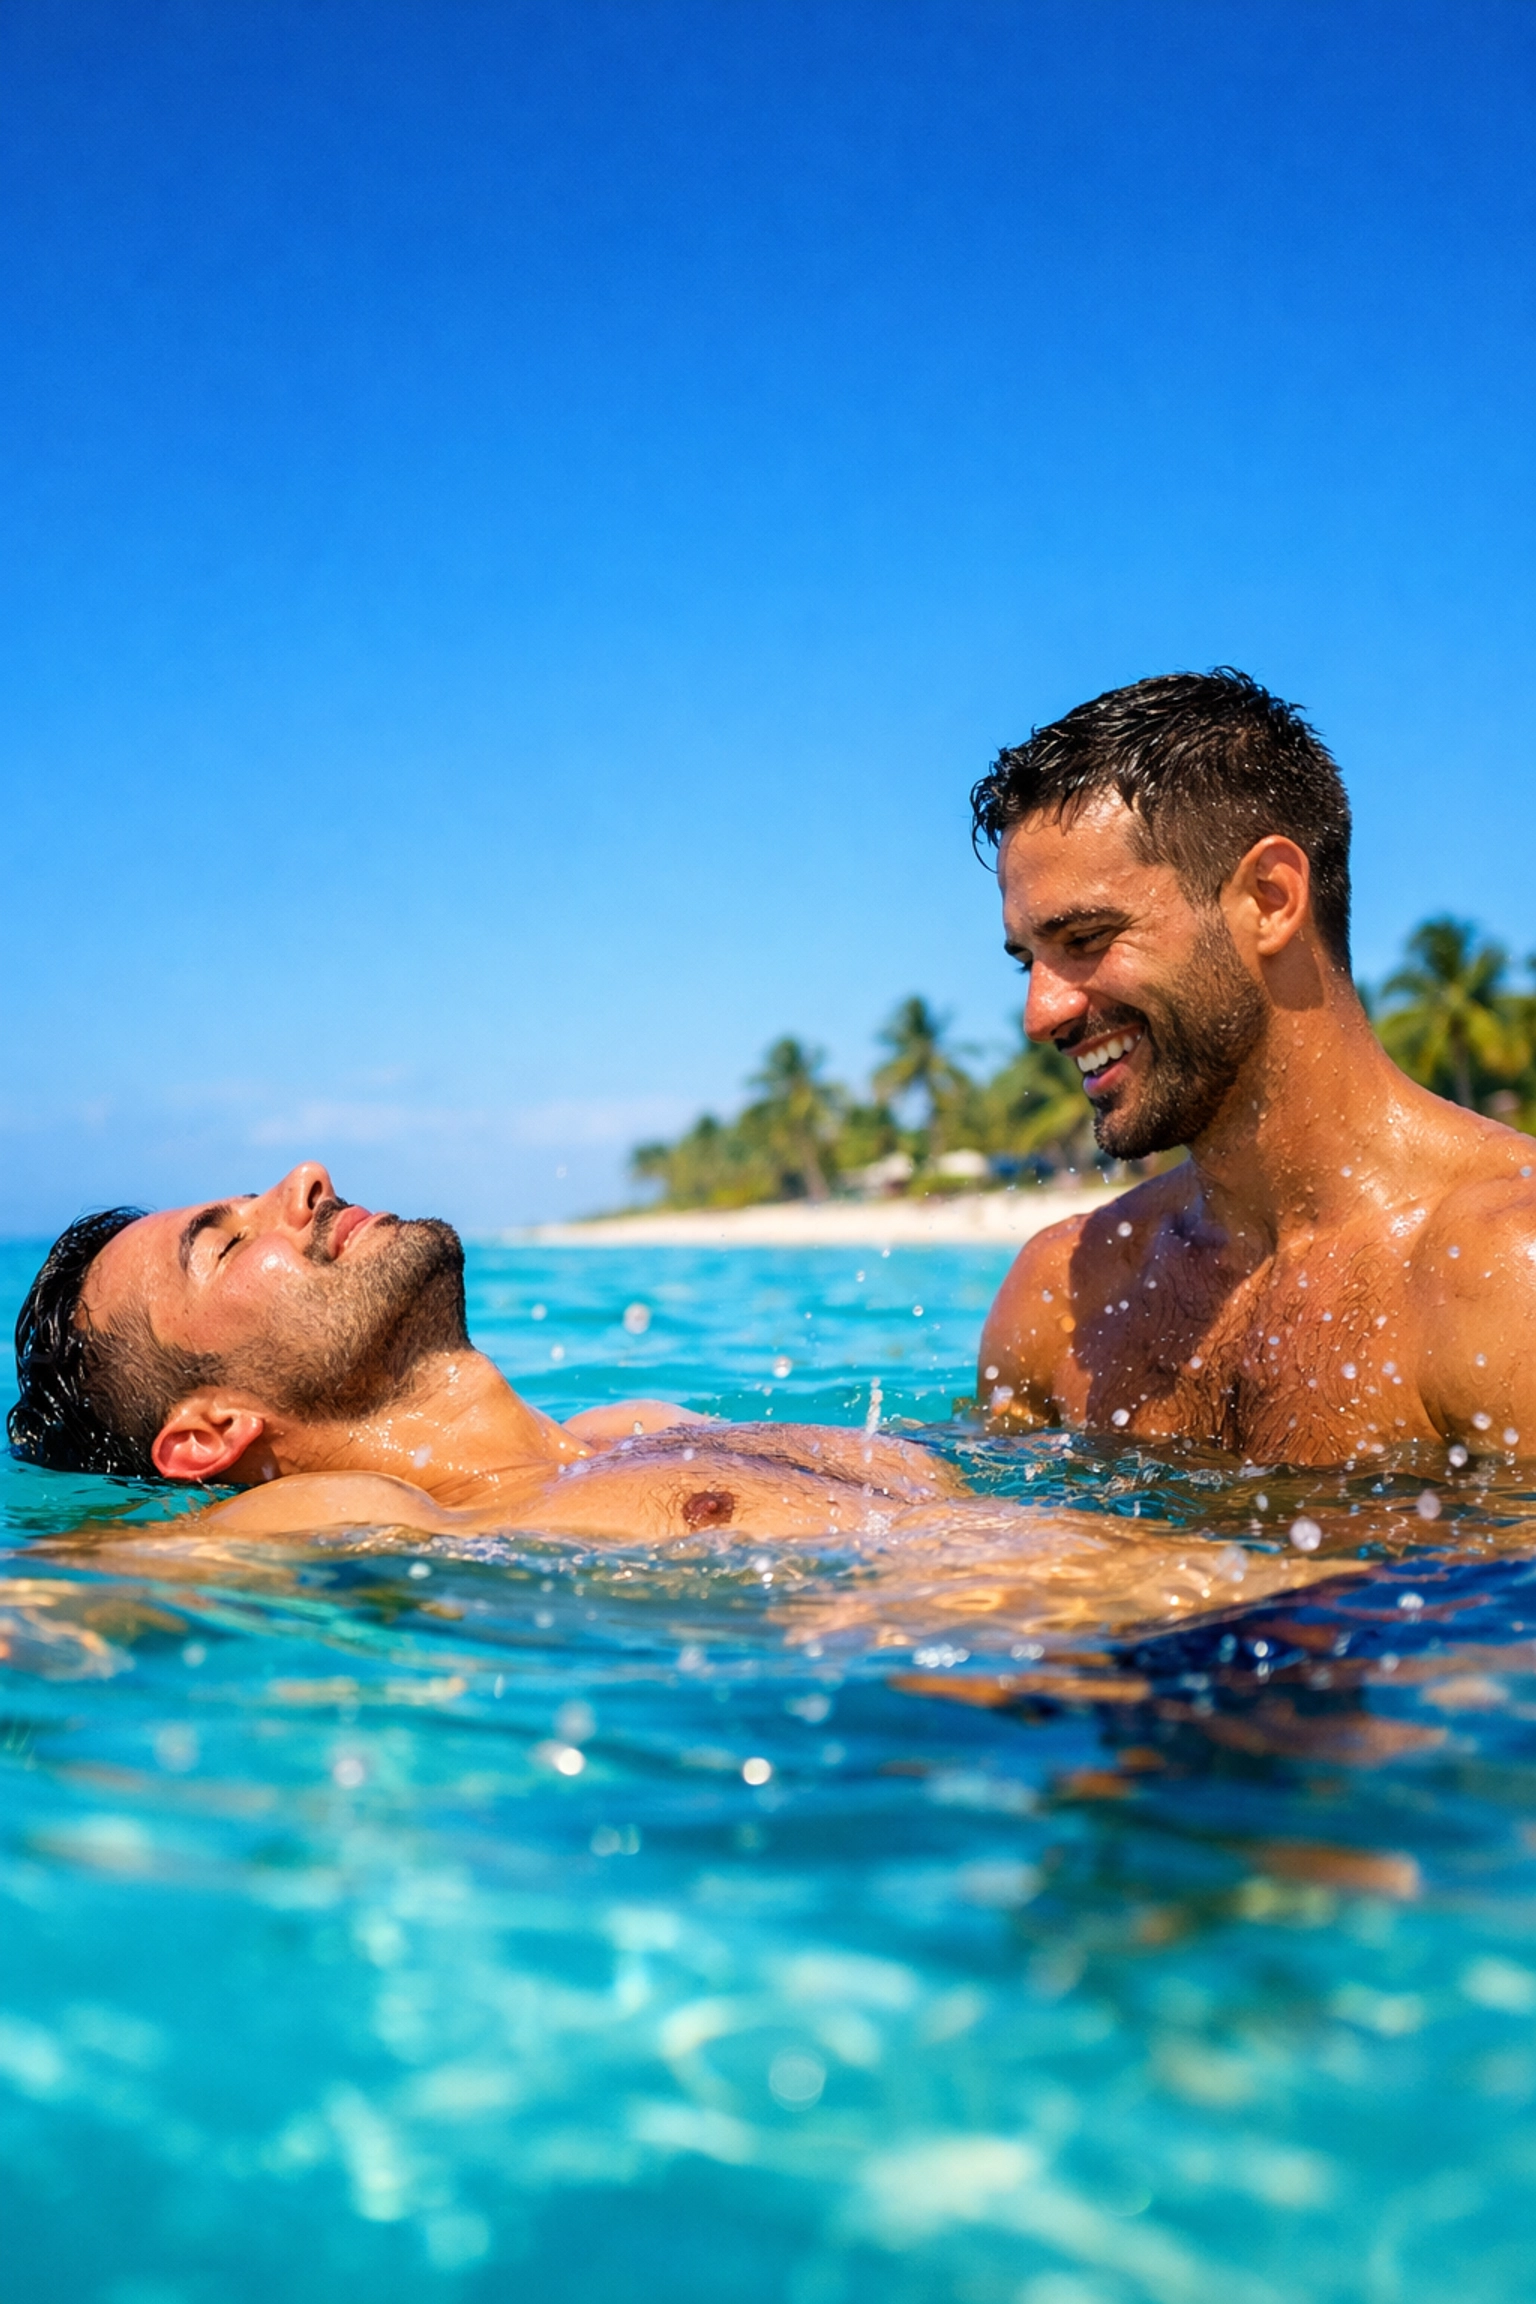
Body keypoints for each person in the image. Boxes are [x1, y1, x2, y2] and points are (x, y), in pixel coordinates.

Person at [5, 1161, 1348, 1634]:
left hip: (1334, 1622)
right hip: (1145, 1722)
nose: (301, 1180)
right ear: (210, 1436)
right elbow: (61, 1601)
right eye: (229, 1242)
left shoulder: (637, 1430)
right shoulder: (362, 1506)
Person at [972, 668, 1536, 1466]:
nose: (1042, 1015)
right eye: (1026, 959)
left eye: (1087, 939)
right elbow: (956, 1534)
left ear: (1270, 899)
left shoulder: (1504, 1277)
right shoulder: (1067, 1292)